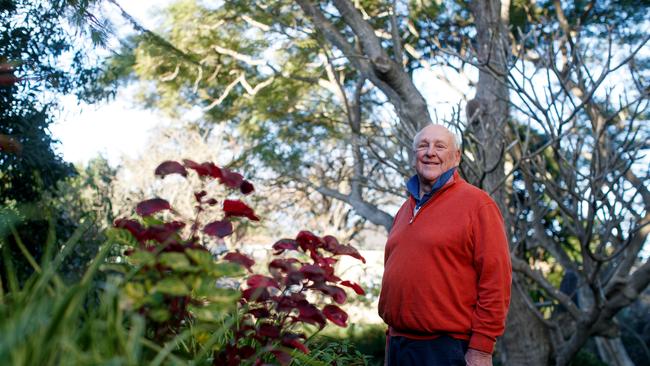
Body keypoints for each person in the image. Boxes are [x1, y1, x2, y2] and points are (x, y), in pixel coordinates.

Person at [378, 124, 512, 366]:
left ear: (456, 157)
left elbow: (496, 280)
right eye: (423, 145)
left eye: (440, 146)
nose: (430, 152)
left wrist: (481, 348)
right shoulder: (404, 209)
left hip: (446, 349)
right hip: (399, 346)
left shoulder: (478, 204)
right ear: (414, 154)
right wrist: (391, 342)